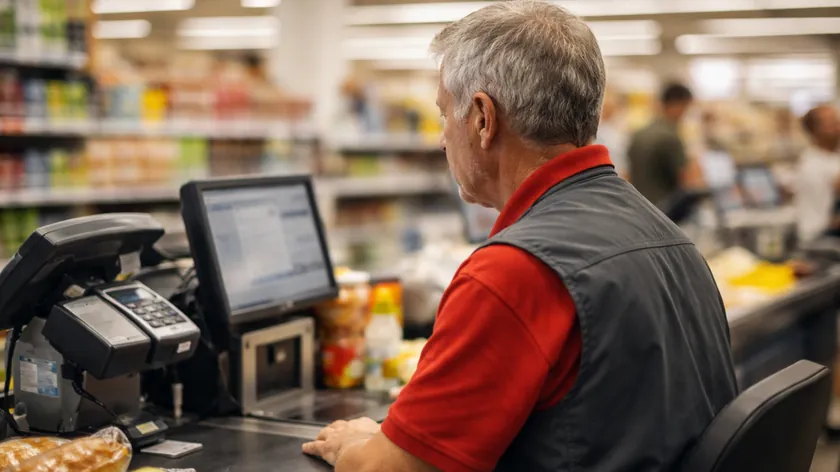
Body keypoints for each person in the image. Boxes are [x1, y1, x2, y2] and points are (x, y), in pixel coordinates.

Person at [302, 2, 737, 471]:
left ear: (483, 118)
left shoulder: (513, 272)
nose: (442, 139)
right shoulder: (667, 235)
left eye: (445, 114)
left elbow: (392, 470)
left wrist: (357, 444)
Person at [628, 83, 695, 206]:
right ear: (677, 105)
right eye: (686, 108)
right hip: (664, 210)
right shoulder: (670, 137)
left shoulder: (639, 134)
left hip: (638, 206)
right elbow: (684, 180)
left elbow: (629, 175)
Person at [795, 105, 840, 243]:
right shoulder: (811, 164)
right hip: (819, 240)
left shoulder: (834, 156)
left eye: (836, 121)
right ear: (814, 131)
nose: (837, 127)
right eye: (830, 124)